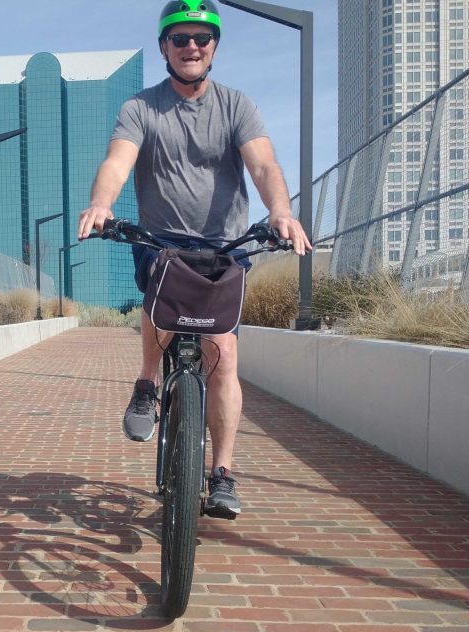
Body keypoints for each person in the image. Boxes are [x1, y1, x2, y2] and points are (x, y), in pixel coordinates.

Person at [78, 1, 311, 518]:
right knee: (156, 301)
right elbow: (118, 161)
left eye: (201, 39)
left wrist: (280, 211)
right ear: (164, 46)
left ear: (214, 48)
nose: (191, 47)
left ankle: (222, 473)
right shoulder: (141, 108)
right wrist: (101, 204)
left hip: (224, 247)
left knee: (223, 356)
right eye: (180, 38)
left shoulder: (236, 106)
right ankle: (146, 381)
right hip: (162, 241)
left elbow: (264, 163)